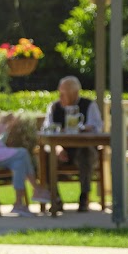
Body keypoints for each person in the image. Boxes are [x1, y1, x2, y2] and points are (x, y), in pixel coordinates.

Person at [44, 75, 103, 212]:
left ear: (75, 93)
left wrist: (87, 128)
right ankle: (55, 198)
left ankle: (84, 196)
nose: (60, 96)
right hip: (62, 149)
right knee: (47, 156)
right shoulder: (54, 107)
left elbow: (97, 128)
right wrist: (58, 148)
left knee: (86, 153)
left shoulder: (89, 106)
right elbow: (47, 130)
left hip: (83, 148)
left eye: (63, 93)